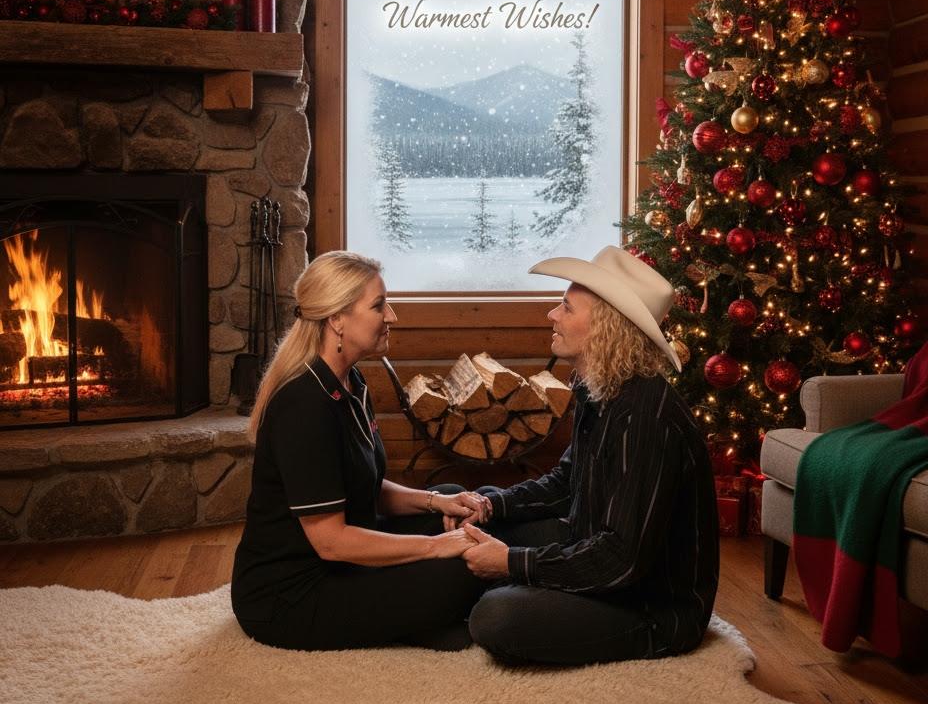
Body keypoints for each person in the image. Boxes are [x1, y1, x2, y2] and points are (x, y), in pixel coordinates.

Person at [460, 245, 720, 666]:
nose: (552, 316)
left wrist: (510, 563)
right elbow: (566, 484)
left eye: (566, 307)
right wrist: (492, 504)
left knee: (497, 615)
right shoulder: (599, 385)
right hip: (591, 548)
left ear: (604, 328)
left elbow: (621, 559)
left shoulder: (645, 416)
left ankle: (491, 602)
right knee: (474, 504)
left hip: (649, 605)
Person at [231, 250, 485, 652]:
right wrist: (434, 549)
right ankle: (422, 619)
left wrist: (438, 501)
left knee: (456, 509)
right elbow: (331, 542)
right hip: (291, 594)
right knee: (460, 572)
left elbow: (364, 483)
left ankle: (417, 621)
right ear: (336, 319)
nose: (393, 316)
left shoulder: (350, 382)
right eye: (379, 305)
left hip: (343, 561)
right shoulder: (303, 405)